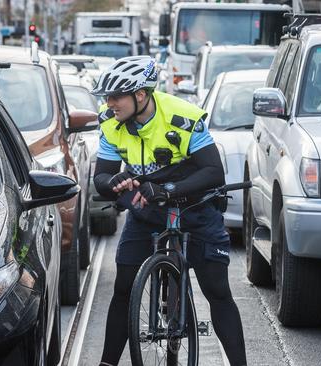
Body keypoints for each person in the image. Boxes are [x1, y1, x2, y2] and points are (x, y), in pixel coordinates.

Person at [91, 56, 247, 366]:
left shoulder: (182, 116)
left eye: (116, 96)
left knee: (217, 291)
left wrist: (169, 190)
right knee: (123, 287)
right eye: (106, 97)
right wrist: (116, 179)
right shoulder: (109, 122)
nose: (109, 104)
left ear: (140, 95)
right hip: (147, 209)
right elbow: (101, 179)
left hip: (196, 208)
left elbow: (214, 171)